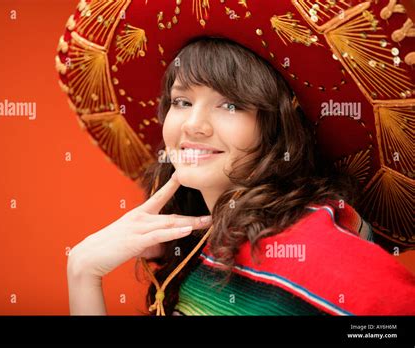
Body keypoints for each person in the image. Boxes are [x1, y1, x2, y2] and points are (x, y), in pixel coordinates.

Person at [67, 37, 415, 316]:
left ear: (276, 126)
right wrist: (82, 272)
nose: (193, 125)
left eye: (230, 105)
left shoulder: (314, 248)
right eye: (182, 101)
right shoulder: (198, 244)